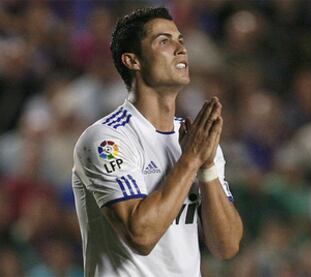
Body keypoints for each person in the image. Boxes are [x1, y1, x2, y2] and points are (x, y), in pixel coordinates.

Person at [71, 7, 243, 276]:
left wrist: (207, 168)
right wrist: (190, 161)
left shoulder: (197, 141)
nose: (180, 48)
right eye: (164, 41)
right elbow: (140, 235)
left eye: (181, 40)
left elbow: (227, 247)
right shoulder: (106, 139)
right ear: (133, 61)